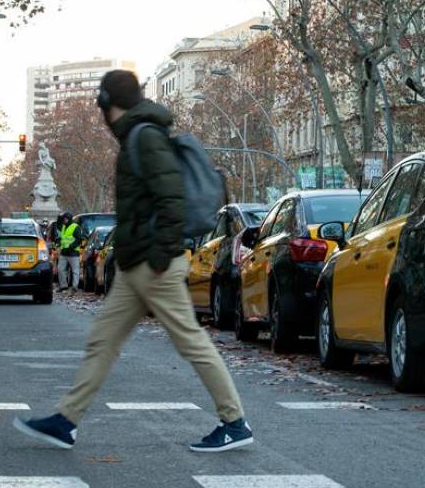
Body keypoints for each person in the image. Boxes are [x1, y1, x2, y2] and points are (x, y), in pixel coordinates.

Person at [13, 70, 251, 453]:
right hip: (135, 262)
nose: (101, 118)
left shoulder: (145, 137)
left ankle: (234, 421)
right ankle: (65, 420)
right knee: (103, 341)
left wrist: (159, 255)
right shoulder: (138, 136)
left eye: (102, 108)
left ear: (112, 105)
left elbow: (171, 197)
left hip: (153, 263)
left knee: (191, 342)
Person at [56, 211, 84, 293]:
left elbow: (79, 239)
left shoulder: (76, 227)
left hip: (73, 252)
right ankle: (63, 286)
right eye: (63, 219)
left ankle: (75, 287)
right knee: (60, 269)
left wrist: (71, 247)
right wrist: (59, 216)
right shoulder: (64, 227)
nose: (63, 220)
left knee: (75, 271)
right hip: (64, 252)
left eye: (65, 219)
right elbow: (58, 226)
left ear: (68, 219)